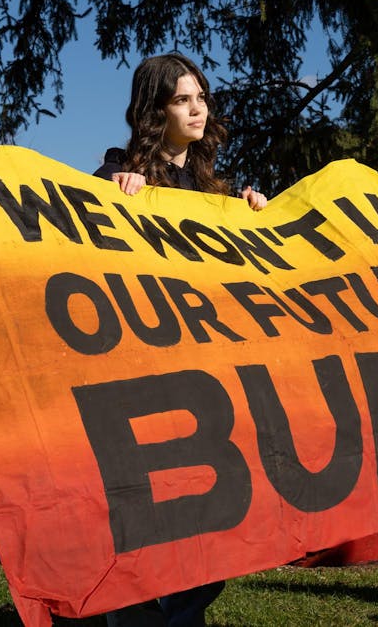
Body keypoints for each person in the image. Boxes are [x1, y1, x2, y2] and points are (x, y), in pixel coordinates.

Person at [92, 52, 265, 627]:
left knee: (221, 513)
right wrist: (112, 200)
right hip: (142, 375)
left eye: (201, 98)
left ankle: (170, 614)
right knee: (146, 515)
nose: (197, 109)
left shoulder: (215, 187)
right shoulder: (115, 174)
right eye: (182, 99)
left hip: (208, 376)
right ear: (154, 110)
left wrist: (255, 219)